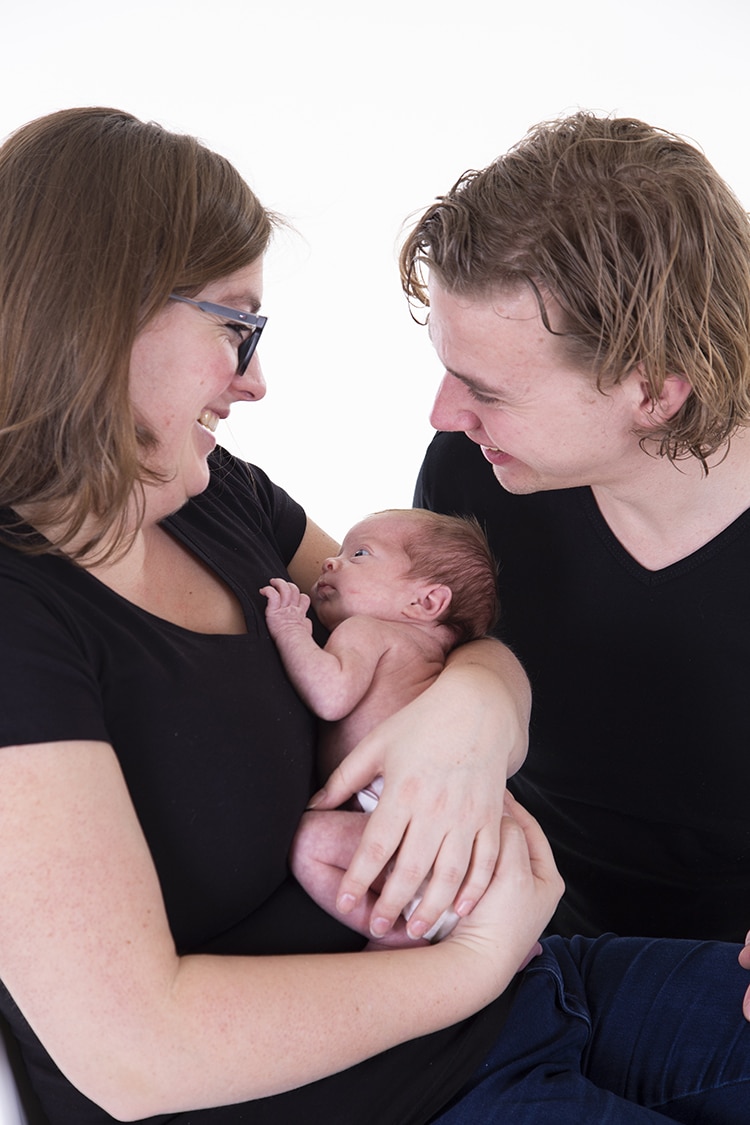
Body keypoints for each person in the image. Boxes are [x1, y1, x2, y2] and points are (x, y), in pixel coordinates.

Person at [2, 106, 750, 1125]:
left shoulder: (215, 497)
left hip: (530, 985)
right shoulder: (23, 616)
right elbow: (134, 1053)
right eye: (236, 326)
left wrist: (478, 703)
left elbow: (437, 623)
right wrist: (478, 962)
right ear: (100, 317)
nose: (255, 378)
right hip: (418, 1058)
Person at [403, 111, 750, 950]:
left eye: (487, 389)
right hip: (516, 952)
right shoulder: (471, 473)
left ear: (656, 392)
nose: (445, 415)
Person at [261, 507, 500, 944]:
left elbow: (330, 696)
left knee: (310, 844)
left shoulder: (366, 631)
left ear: (425, 602)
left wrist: (289, 627)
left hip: (402, 827)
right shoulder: (437, 662)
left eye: (360, 553)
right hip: (465, 846)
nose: (330, 562)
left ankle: (394, 935)